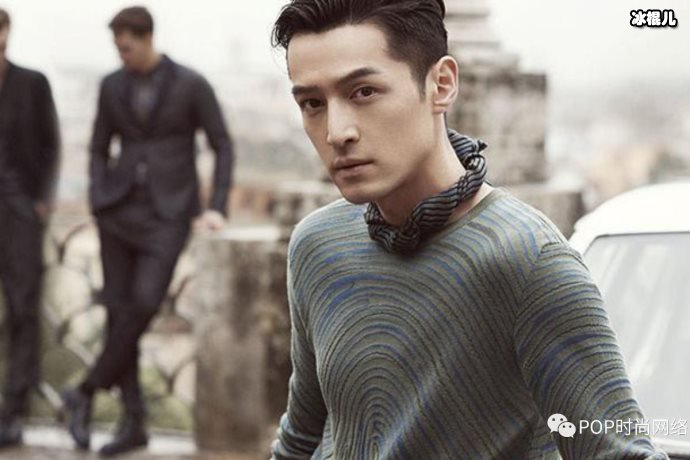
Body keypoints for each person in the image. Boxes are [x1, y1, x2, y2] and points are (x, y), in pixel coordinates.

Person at [268, 1, 668, 458]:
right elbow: (300, 440)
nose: (336, 132)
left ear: (441, 84)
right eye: (313, 103)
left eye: (364, 92)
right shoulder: (317, 244)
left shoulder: (527, 260)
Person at [61, 6, 234, 457]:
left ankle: (85, 389)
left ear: (147, 38)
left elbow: (222, 143)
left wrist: (216, 207)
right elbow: (98, 147)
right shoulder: (111, 85)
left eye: (127, 47)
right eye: (116, 47)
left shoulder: (191, 84)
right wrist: (99, 196)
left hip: (168, 215)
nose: (121, 55)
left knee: (142, 305)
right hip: (117, 213)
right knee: (120, 315)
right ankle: (133, 423)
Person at [0, 7, 60, 449]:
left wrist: (41, 203)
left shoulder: (32, 83)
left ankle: (14, 410)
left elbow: (50, 145)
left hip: (19, 211)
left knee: (23, 310)